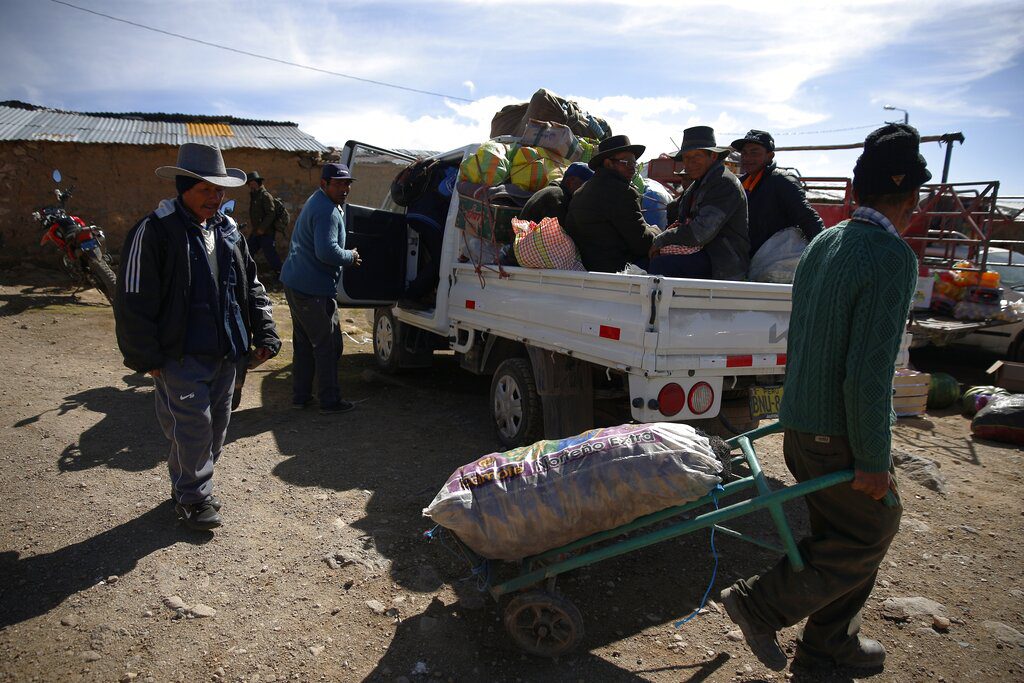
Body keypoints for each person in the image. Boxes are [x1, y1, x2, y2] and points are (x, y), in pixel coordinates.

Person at [720, 124, 930, 673]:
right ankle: (758, 605)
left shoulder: (825, 244)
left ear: (857, 192)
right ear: (911, 198)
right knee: (872, 529)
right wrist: (874, 458)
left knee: (841, 539)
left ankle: (827, 650)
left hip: (801, 429)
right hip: (836, 434)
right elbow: (868, 374)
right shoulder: (890, 257)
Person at [114, 143, 281, 531]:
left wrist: (265, 331)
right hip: (180, 354)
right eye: (206, 189)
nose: (216, 197)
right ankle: (193, 498)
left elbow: (250, 286)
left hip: (227, 351)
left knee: (216, 427)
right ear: (183, 187)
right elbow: (132, 298)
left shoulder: (227, 230)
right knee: (193, 429)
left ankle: (188, 484)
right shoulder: (155, 230)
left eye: (220, 190)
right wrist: (146, 356)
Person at [279, 163, 362, 413]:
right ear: (324, 184)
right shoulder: (325, 209)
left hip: (297, 283)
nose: (344, 188)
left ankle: (301, 396)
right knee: (327, 345)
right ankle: (329, 400)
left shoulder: (319, 201)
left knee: (305, 343)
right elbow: (326, 252)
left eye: (347, 183)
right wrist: (351, 255)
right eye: (338, 183)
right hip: (310, 288)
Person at [648, 126, 748, 280]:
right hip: (700, 255)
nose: (690, 162)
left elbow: (699, 233)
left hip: (721, 263)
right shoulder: (698, 184)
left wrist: (661, 239)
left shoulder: (724, 183)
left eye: (697, 156)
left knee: (660, 267)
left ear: (713, 157)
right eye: (687, 157)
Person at [564, 135, 659, 272]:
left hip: (585, 268)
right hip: (617, 270)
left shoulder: (581, 191)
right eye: (626, 163)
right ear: (608, 163)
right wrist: (656, 230)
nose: (632, 168)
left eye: (634, 164)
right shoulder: (622, 192)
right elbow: (642, 244)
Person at [730, 130, 825, 257]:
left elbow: (807, 218)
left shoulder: (782, 180)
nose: (747, 158)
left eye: (754, 152)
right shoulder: (740, 183)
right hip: (747, 258)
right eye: (744, 153)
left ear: (770, 155)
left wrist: (823, 252)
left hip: (775, 260)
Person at [518, 162, 594, 225]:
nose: (587, 190)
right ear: (570, 181)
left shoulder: (555, 192)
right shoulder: (557, 197)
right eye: (584, 185)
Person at [245, 171, 286, 275]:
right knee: (248, 250)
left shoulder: (265, 196)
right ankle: (245, 272)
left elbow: (271, 213)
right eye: (250, 183)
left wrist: (262, 228)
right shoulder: (255, 196)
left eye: (253, 183)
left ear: (258, 183)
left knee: (270, 254)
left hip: (266, 232)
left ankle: (279, 273)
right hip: (257, 232)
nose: (251, 185)